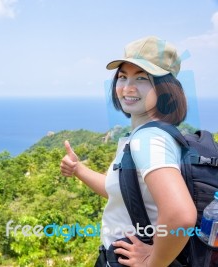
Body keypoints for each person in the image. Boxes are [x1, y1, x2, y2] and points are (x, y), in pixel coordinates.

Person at [60, 36, 197, 267]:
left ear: (166, 88)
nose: (127, 87)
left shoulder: (149, 139)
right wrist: (78, 169)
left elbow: (181, 216)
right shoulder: (153, 135)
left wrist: (152, 263)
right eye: (123, 77)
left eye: (142, 78)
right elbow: (126, 194)